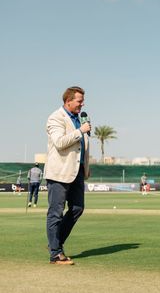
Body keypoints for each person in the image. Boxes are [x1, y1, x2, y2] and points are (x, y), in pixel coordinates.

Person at [44, 86, 91, 265]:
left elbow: (81, 147)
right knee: (55, 213)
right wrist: (81, 131)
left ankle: (55, 244)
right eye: (79, 100)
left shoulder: (79, 119)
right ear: (68, 101)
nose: (82, 104)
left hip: (77, 172)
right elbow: (59, 142)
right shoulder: (56, 117)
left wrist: (85, 166)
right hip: (60, 173)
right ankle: (55, 254)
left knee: (77, 208)